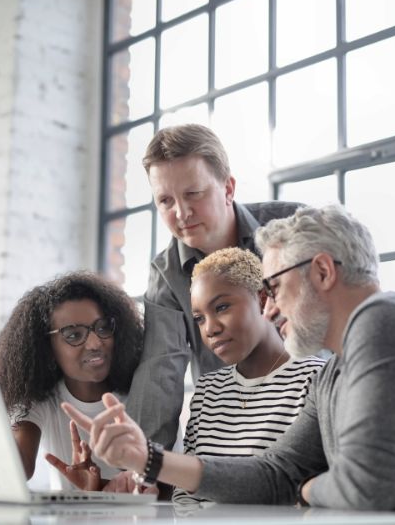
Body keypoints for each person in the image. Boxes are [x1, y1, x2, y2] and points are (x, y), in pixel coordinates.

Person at [60, 205, 395, 524]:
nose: (269, 307)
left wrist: (309, 488)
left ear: (322, 270)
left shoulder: (388, 320)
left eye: (272, 287)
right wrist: (149, 458)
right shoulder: (335, 368)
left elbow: (366, 489)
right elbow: (276, 473)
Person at [126, 123, 302, 449]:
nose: (182, 213)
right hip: (231, 431)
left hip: (309, 413)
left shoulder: (293, 227)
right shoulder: (166, 274)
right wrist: (143, 465)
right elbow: (159, 371)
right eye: (165, 201)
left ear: (228, 188)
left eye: (193, 193)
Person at [174, 247, 325, 503]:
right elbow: (185, 493)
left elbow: (302, 490)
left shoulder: (314, 378)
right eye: (199, 318)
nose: (210, 328)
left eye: (221, 307)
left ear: (264, 299)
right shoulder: (207, 390)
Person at [0, 271, 152, 493]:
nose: (95, 343)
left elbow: (176, 488)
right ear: (46, 347)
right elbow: (17, 469)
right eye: (74, 335)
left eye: (103, 328)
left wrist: (100, 488)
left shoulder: (145, 392)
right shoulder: (40, 400)